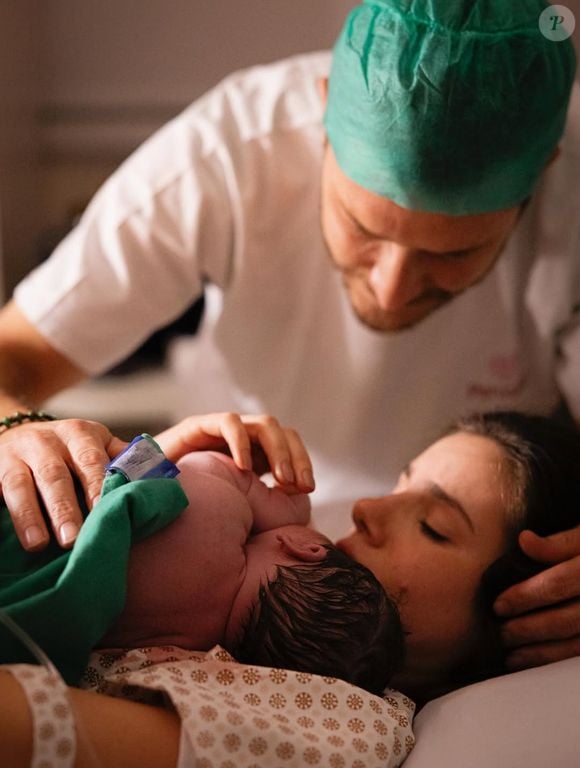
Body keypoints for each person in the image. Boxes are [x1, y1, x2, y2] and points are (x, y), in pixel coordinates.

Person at [0, 0, 578, 672]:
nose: (392, 287)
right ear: (323, 116)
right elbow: (13, 357)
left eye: (452, 255)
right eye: (365, 230)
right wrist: (23, 430)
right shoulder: (228, 154)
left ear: (543, 177)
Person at [1, 408, 578, 767]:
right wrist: (146, 470)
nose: (368, 507)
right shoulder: (259, 558)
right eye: (399, 483)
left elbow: (30, 730)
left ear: (528, 609)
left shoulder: (343, 724)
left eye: (434, 527)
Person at [0, 436, 404, 695]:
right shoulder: (189, 648)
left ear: (307, 547)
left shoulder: (226, 512)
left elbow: (191, 463)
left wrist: (291, 506)